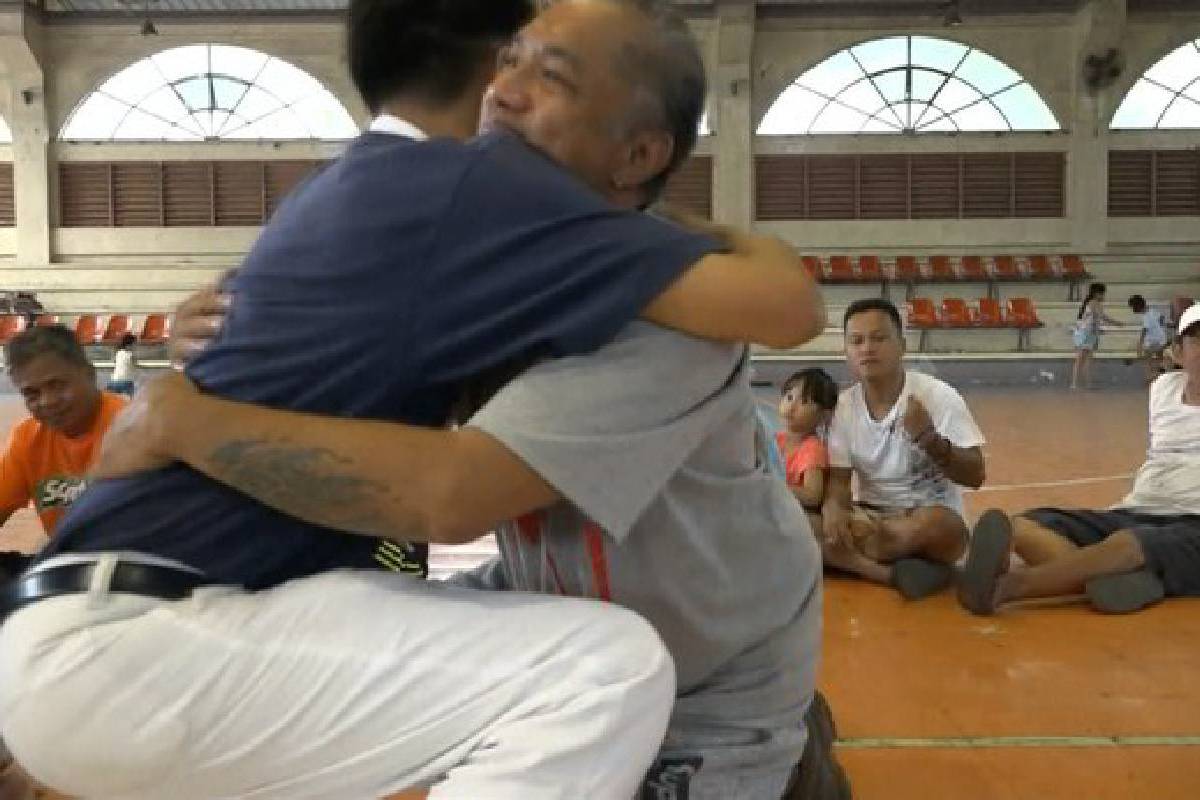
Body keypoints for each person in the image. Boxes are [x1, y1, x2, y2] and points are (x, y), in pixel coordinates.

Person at [0, 1, 824, 798]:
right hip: (141, 631)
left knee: (597, 666)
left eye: (554, 77)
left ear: (638, 152)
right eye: (509, 59)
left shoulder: (630, 309)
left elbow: (451, 495)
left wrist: (189, 418)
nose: (504, 91)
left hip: (713, 698)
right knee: (594, 666)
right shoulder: (476, 235)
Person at [959, 303, 1200, 616]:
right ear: (1178, 352)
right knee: (1024, 525)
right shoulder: (1163, 390)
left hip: (1194, 521)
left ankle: (1010, 588)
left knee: (1127, 545)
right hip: (1139, 508)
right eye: (1197, 341)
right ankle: (1108, 579)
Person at [817, 298, 987, 600]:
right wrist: (833, 508)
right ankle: (896, 572)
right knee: (796, 520)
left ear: (902, 345)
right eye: (857, 341)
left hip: (926, 516)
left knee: (936, 528)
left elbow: (976, 474)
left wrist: (932, 441)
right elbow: (839, 483)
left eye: (879, 338)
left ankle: (850, 560)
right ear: (847, 352)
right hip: (871, 516)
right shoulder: (843, 407)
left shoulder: (937, 396)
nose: (867, 348)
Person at [0, 326, 126, 541]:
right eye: (32, 394)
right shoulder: (27, 439)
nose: (47, 401)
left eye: (57, 385)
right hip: (68, 564)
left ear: (89, 374)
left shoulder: (135, 427)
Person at [776, 368, 838, 511]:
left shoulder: (812, 448)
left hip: (797, 513)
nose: (791, 407)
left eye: (804, 401)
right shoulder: (775, 439)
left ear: (824, 415)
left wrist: (773, 489)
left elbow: (812, 495)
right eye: (789, 397)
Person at [1071, 282, 1121, 390]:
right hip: (1085, 333)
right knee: (1083, 359)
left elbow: (1095, 320)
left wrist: (1098, 331)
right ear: (1096, 293)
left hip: (1089, 333)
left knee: (1086, 359)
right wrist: (1116, 323)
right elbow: (1102, 317)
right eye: (1102, 294)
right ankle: (1076, 383)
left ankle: (1085, 383)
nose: (1103, 296)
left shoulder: (1091, 303)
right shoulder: (1094, 303)